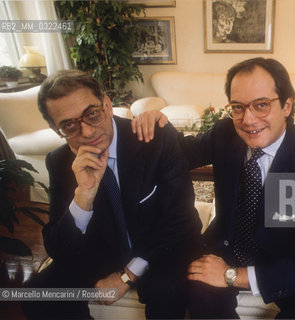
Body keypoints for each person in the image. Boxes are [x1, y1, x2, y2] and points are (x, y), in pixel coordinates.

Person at [132, 57, 295, 319]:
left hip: (291, 263)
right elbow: (181, 153)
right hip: (230, 246)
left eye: (261, 105)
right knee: (198, 292)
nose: (248, 120)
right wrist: (158, 125)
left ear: (287, 105)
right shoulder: (226, 132)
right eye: (238, 107)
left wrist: (233, 276)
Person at [21, 70, 201, 319]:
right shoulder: (59, 161)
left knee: (166, 291)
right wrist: (83, 194)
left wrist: (127, 275)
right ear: (55, 129)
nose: (86, 132)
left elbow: (182, 220)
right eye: (69, 125)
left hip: (158, 249)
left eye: (92, 114)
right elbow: (58, 248)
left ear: (107, 104)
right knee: (38, 294)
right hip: (103, 252)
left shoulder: (154, 138)